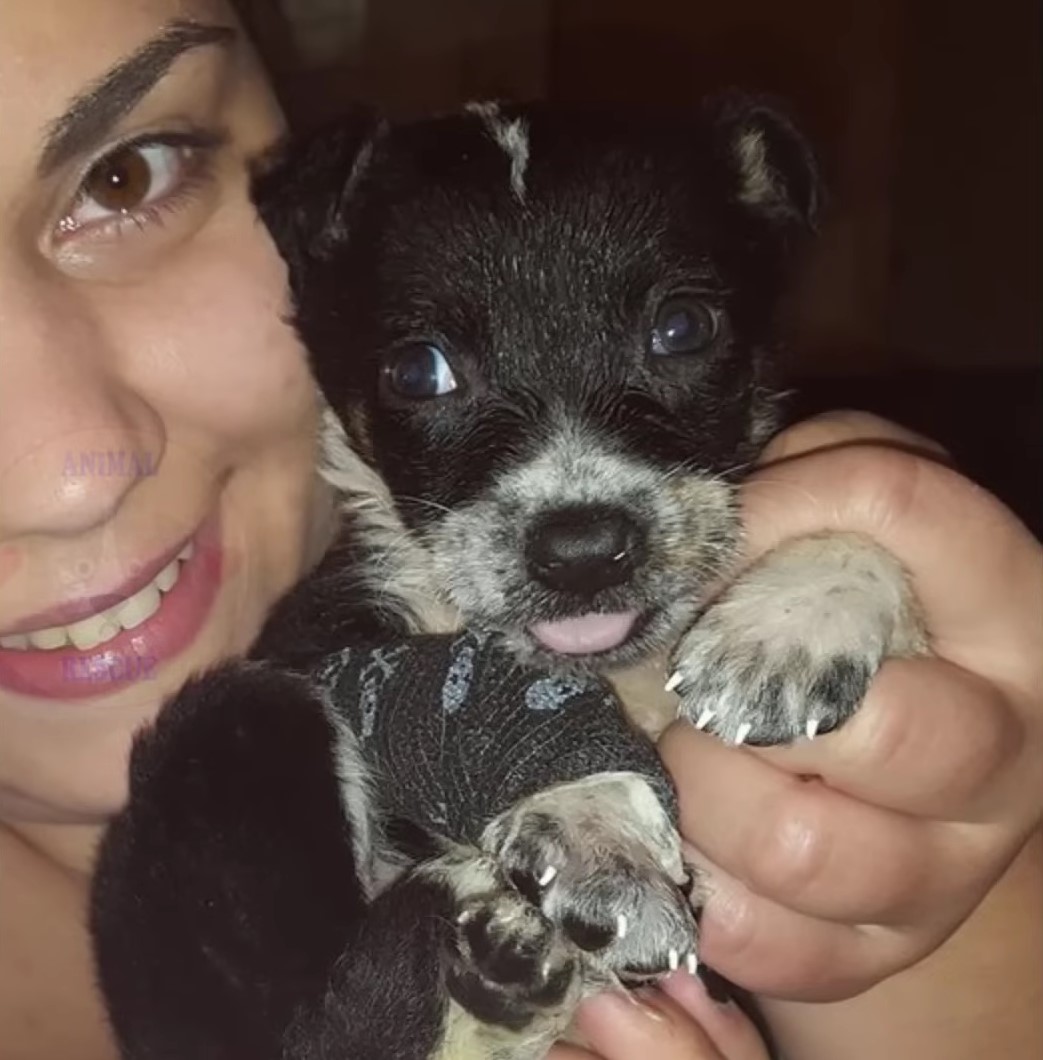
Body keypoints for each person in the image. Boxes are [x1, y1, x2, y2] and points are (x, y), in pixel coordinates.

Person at [0, 3, 1039, 1059]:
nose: (62, 475)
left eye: (677, 334)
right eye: (425, 375)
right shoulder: (280, 738)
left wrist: (935, 947)